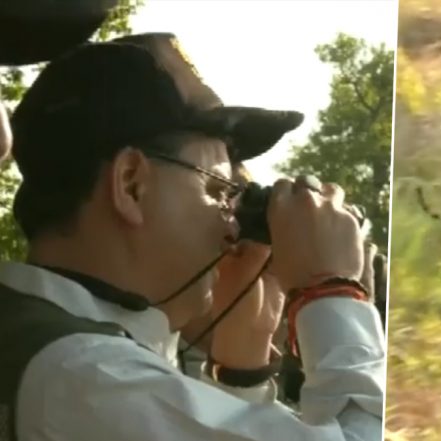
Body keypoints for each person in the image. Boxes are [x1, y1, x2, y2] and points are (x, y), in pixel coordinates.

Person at [0, 32, 386, 441]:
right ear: (131, 185)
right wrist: (329, 290)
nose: (234, 227)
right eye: (218, 192)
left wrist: (242, 366)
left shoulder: (47, 346)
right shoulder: (87, 374)